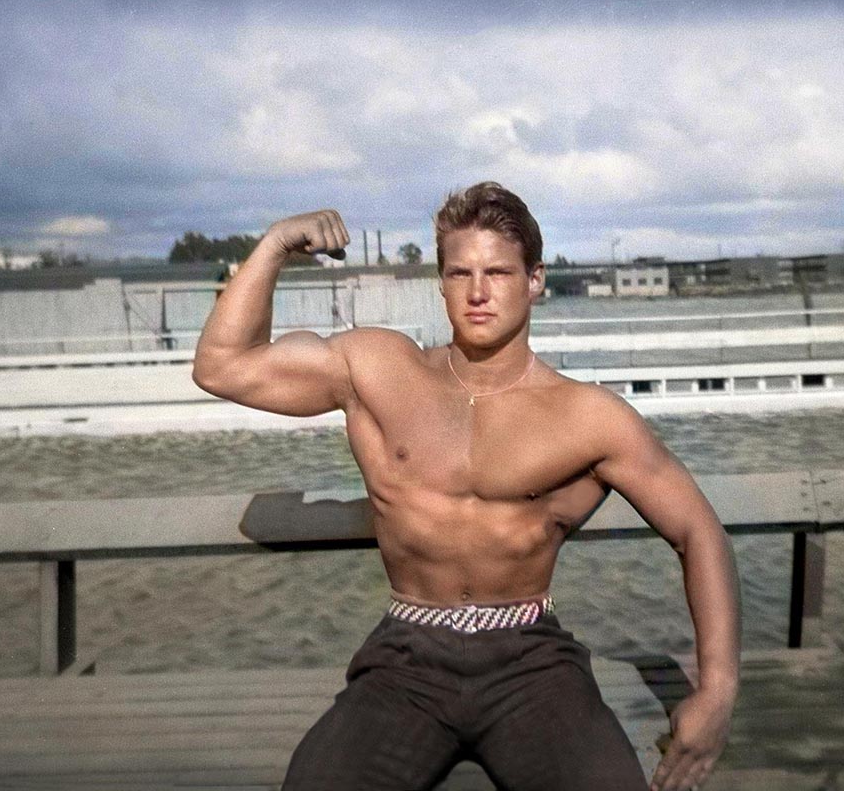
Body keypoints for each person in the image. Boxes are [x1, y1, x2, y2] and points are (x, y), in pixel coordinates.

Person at [192, 182, 741, 791]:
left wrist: (717, 691)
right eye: (460, 273)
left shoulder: (588, 417)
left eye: (498, 272)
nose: (478, 292)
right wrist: (274, 245)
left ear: (534, 280)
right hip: (405, 660)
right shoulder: (378, 369)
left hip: (531, 663)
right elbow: (222, 366)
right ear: (442, 283)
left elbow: (697, 530)